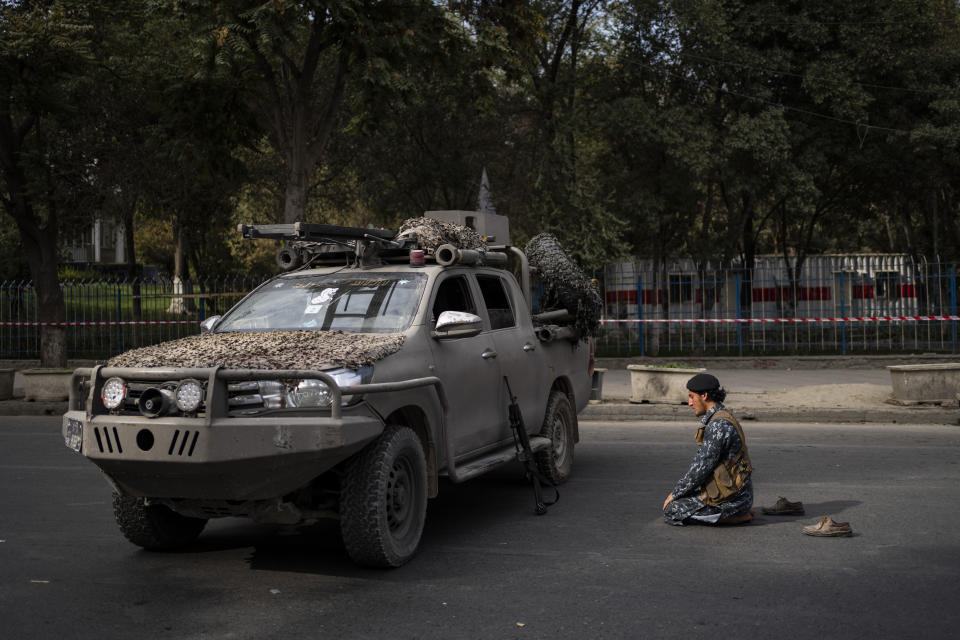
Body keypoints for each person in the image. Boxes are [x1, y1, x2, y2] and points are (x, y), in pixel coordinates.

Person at [662, 373, 755, 526]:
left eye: (692, 397)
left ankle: (735, 516)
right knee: (686, 499)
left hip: (734, 499)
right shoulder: (722, 415)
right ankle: (737, 512)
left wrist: (674, 494)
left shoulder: (717, 425)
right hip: (736, 494)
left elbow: (700, 469)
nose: (690, 403)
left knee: (673, 510)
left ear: (704, 396)